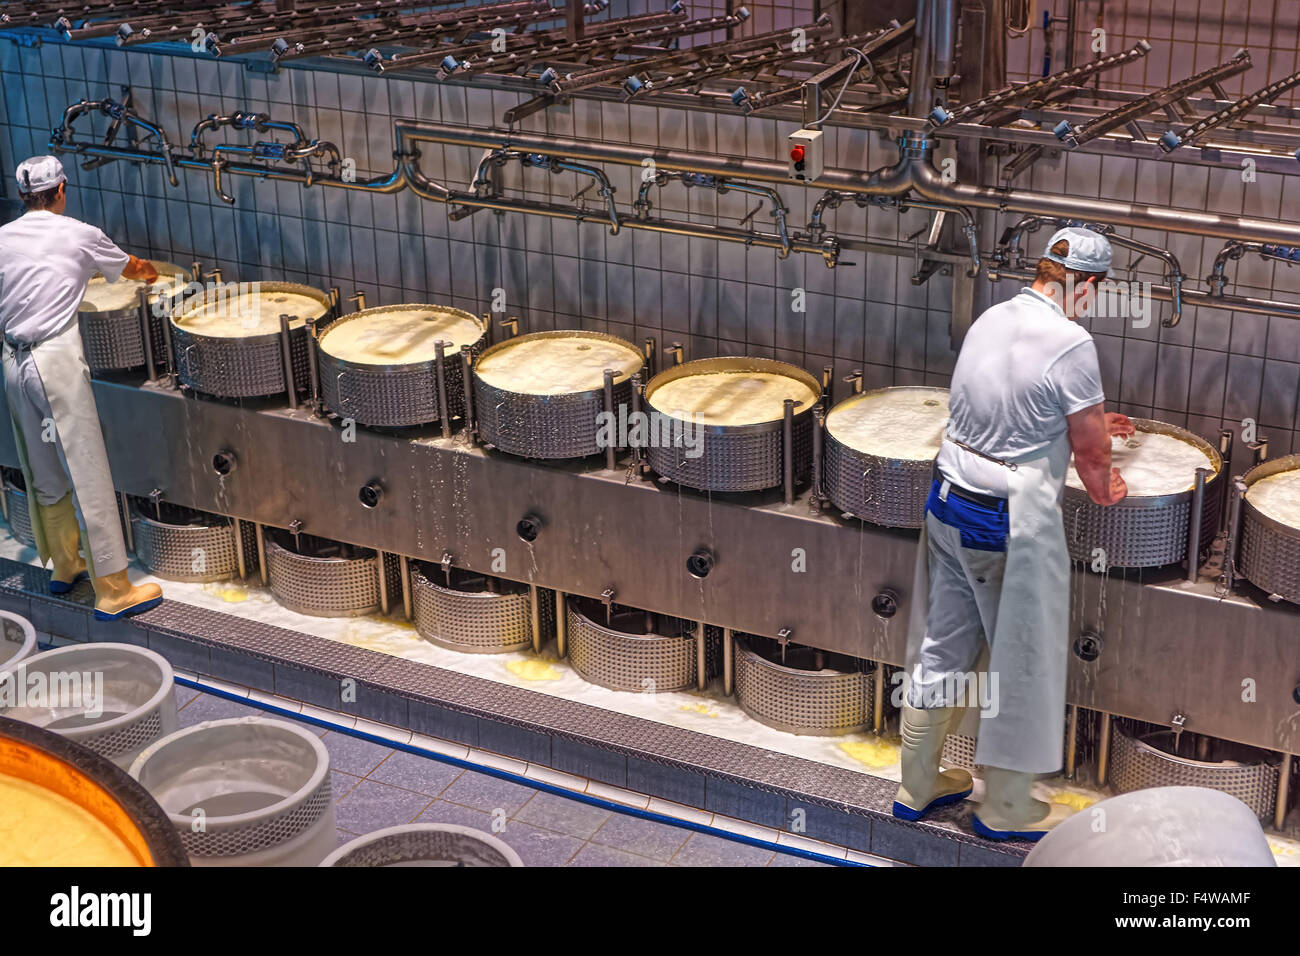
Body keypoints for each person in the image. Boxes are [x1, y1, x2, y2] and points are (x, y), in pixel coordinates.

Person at [892, 226, 1131, 841]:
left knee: (942, 649)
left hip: (947, 502)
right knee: (1020, 660)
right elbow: (1090, 454)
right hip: (1003, 521)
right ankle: (1002, 808)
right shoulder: (1071, 343)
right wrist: (1108, 486)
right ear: (1088, 285)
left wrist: (1091, 418)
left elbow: (1011, 399)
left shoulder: (994, 317)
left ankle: (916, 785)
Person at [0, 155, 163, 620]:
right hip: (55, 364)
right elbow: (133, 268)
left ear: (22, 196)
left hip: (13, 361)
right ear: (62, 190)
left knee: (42, 468)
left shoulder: (2, 238)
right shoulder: (79, 234)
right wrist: (152, 276)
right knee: (85, 468)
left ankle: (64, 567)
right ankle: (112, 589)